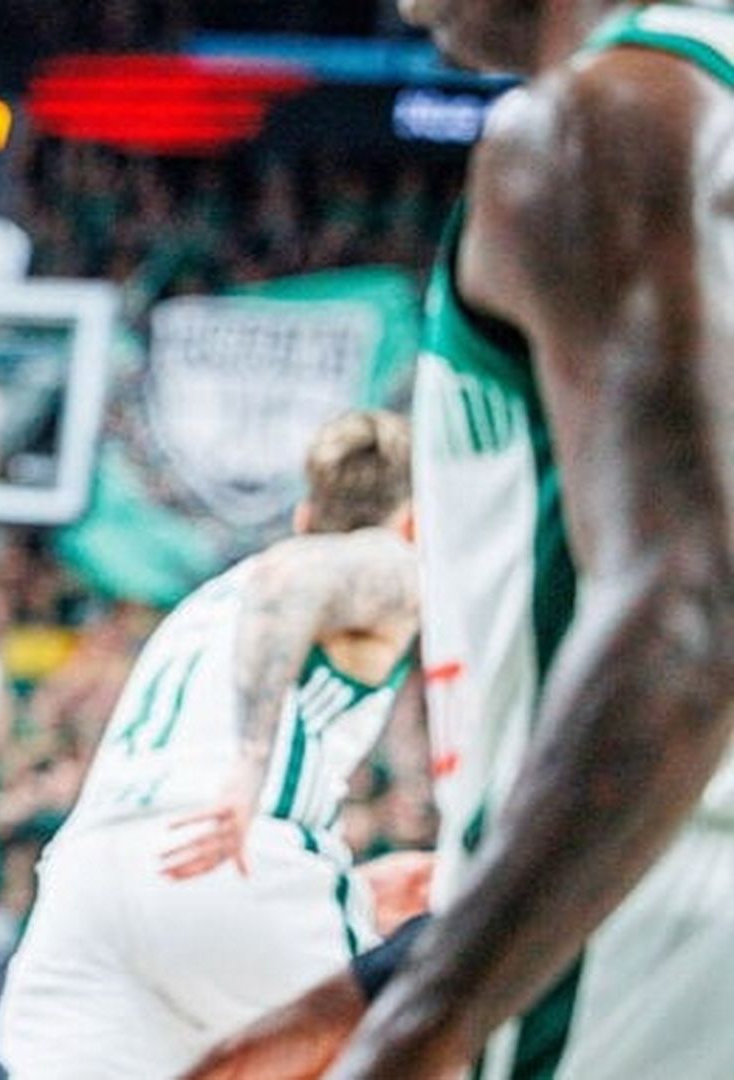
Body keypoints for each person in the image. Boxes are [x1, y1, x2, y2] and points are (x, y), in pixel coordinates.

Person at [184, 3, 734, 1077]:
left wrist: (421, 1024)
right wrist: (371, 990)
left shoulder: (600, 121)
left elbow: (687, 614)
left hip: (637, 940)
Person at [0, 410, 424, 1079]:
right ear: (414, 522)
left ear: (305, 514)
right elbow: (293, 579)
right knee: (422, 1039)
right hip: (229, 853)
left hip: (88, 880)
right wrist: (249, 767)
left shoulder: (209, 599)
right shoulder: (386, 557)